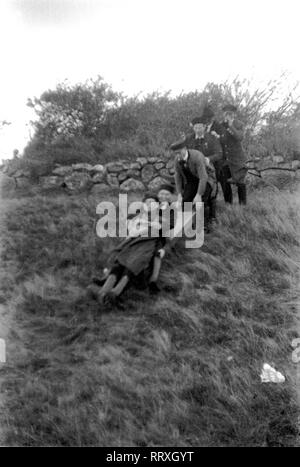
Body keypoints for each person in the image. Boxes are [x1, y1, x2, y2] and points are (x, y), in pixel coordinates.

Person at [88, 192, 166, 303]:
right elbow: (132, 232)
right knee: (119, 261)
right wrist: (148, 225)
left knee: (133, 265)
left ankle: (114, 293)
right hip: (131, 243)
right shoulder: (135, 217)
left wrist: (161, 247)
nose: (149, 205)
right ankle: (103, 292)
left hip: (146, 246)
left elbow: (161, 236)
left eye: (153, 203)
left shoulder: (160, 220)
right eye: (147, 202)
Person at [170, 139, 217, 232]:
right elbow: (178, 177)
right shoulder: (177, 160)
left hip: (207, 178)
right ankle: (188, 224)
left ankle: (203, 225)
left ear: (185, 148)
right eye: (176, 153)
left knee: (201, 201)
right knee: (186, 200)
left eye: (179, 152)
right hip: (191, 181)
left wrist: (198, 195)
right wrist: (179, 194)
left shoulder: (197, 156)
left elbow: (203, 177)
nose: (178, 155)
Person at [184, 115, 223, 219]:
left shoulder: (212, 138)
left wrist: (208, 159)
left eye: (200, 127)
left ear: (204, 127)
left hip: (209, 170)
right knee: (188, 196)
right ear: (193, 128)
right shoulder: (188, 138)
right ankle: (188, 223)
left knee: (208, 195)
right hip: (192, 171)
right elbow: (184, 152)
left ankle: (209, 220)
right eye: (196, 128)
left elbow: (219, 153)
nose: (198, 130)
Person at [220, 104, 247, 205]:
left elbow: (239, 137)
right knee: (224, 182)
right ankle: (228, 204)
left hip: (237, 158)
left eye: (230, 113)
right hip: (225, 158)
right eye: (226, 113)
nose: (228, 115)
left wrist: (231, 125)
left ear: (234, 114)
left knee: (240, 182)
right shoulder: (221, 125)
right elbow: (220, 140)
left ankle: (243, 205)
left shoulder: (239, 124)